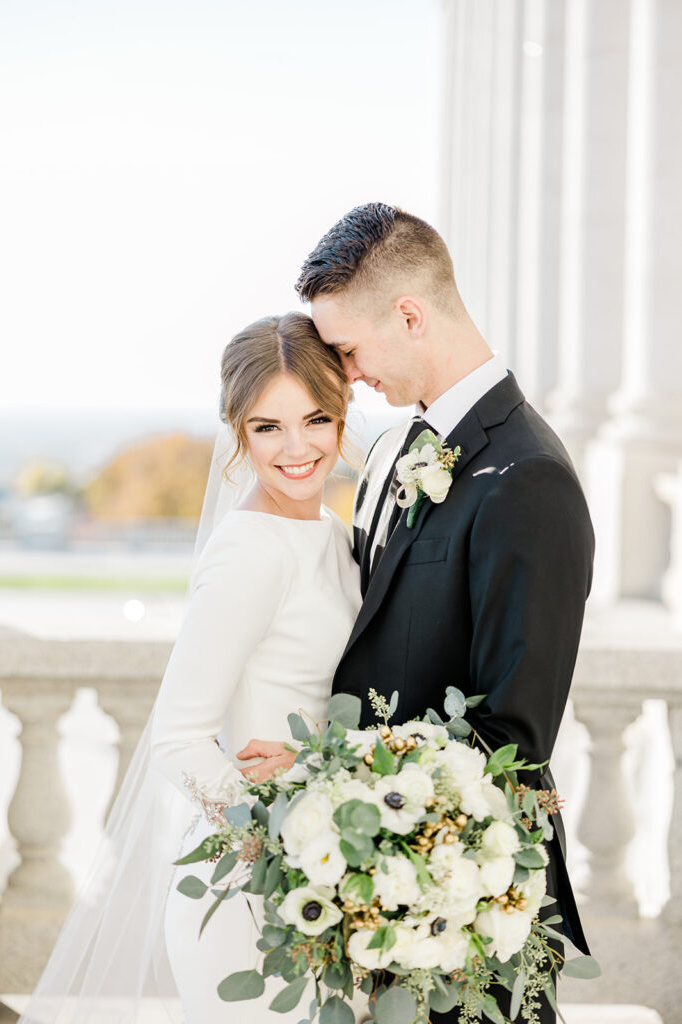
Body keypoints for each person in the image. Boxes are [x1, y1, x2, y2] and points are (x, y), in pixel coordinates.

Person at [14, 312, 369, 1024]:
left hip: (322, 870)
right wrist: (282, 834)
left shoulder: (333, 535)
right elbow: (178, 740)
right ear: (236, 432)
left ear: (342, 416)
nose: (296, 447)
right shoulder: (250, 550)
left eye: (316, 419)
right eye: (267, 426)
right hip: (249, 889)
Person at [287, 202, 594, 1024]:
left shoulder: (530, 478)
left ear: (411, 315)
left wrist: (387, 854)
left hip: (466, 908)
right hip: (376, 899)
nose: (345, 374)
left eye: (348, 349)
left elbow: (511, 737)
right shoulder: (391, 450)